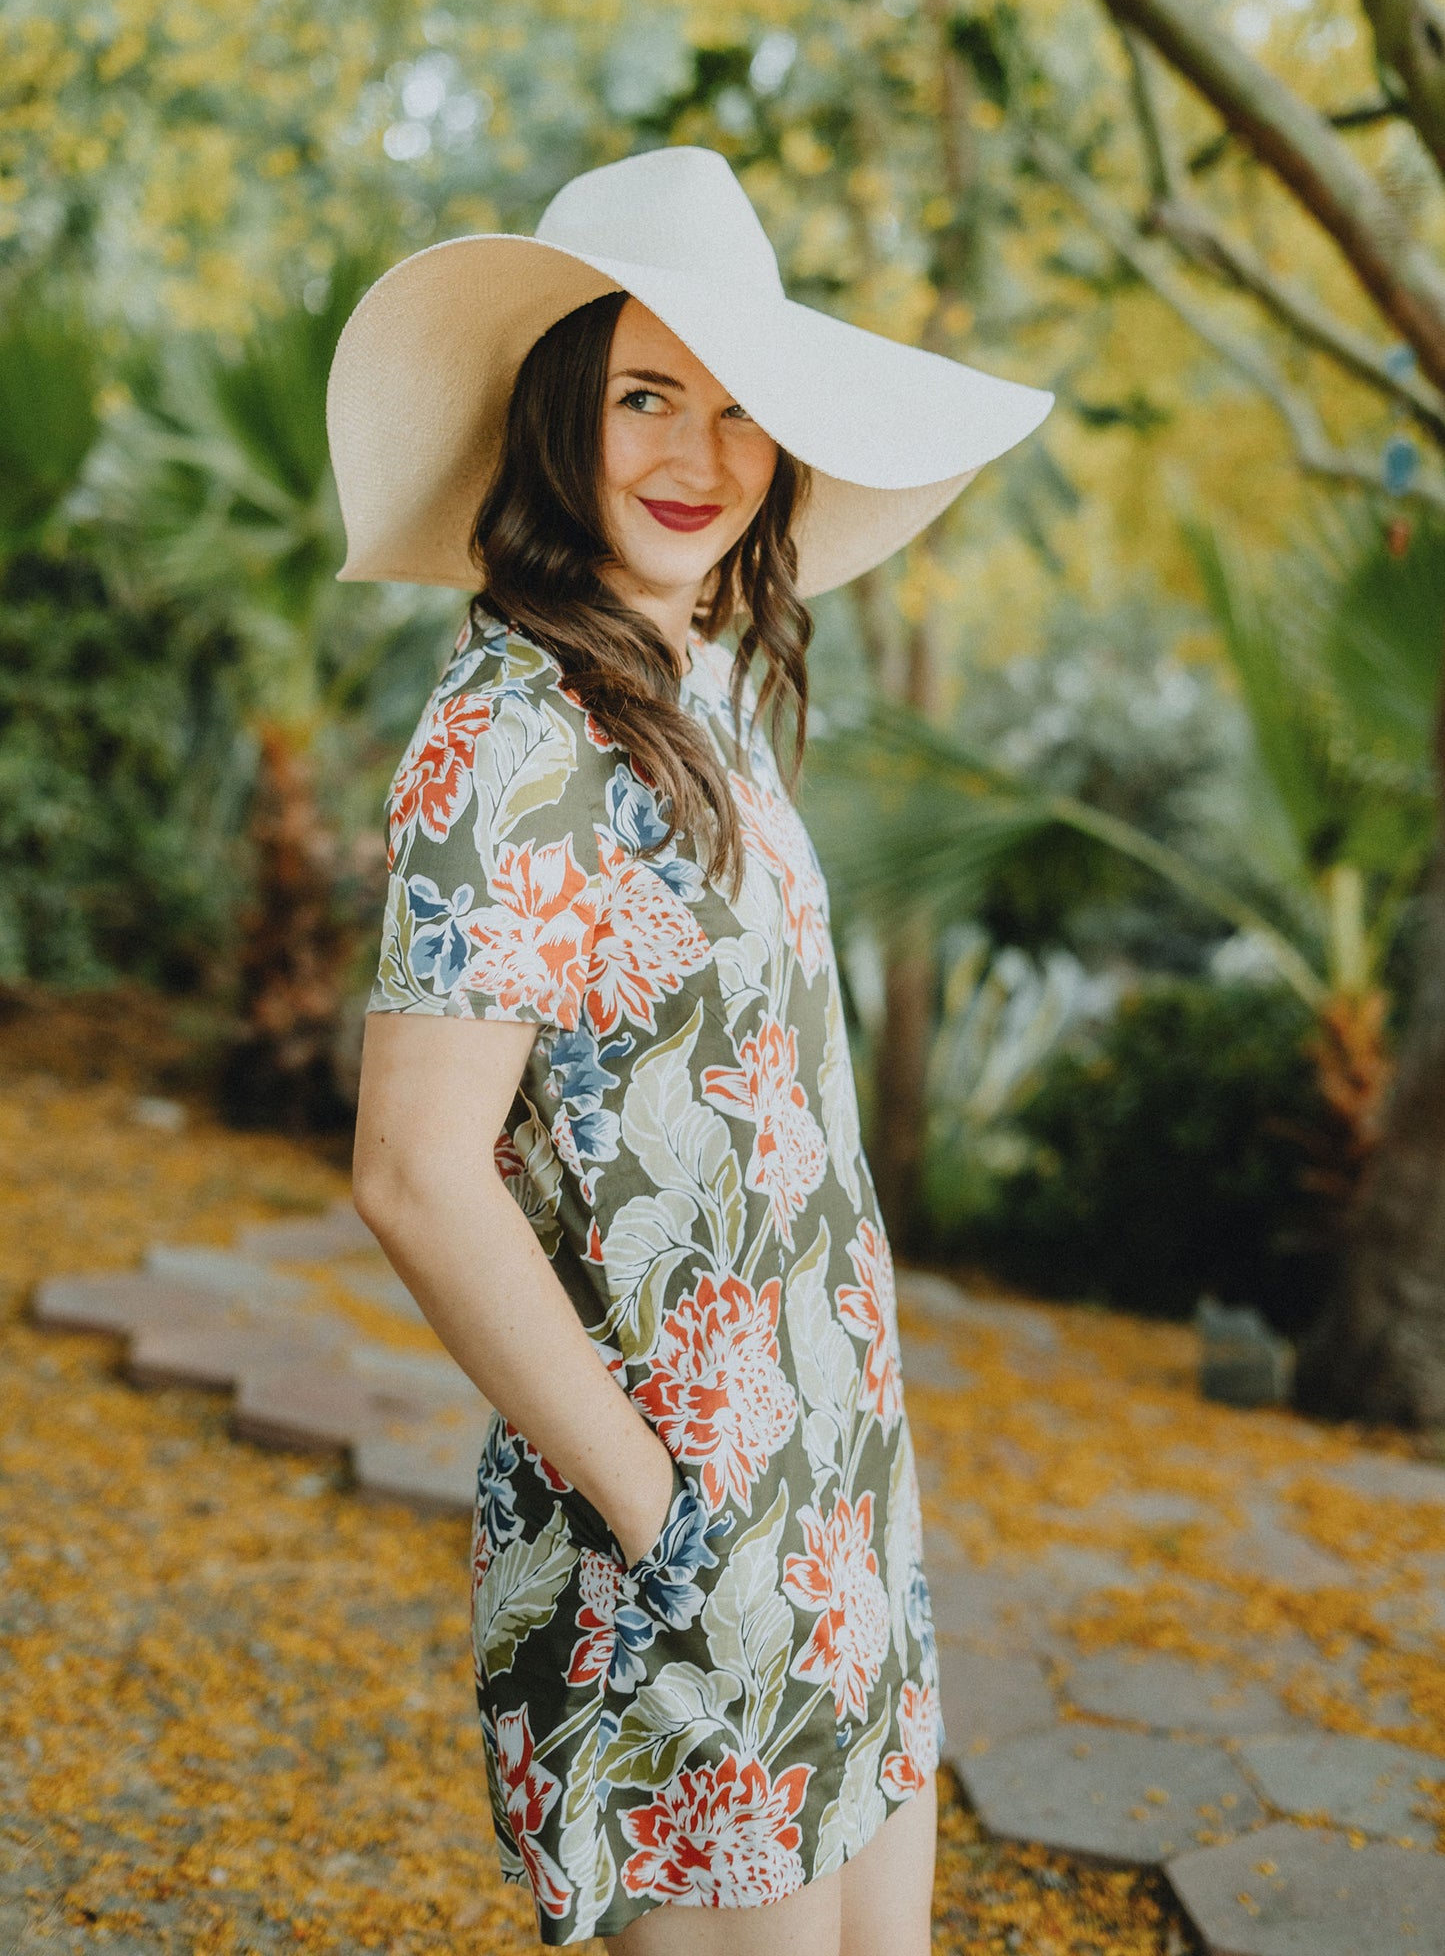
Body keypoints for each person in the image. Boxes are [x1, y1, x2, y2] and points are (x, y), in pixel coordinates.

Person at [330, 146, 1050, 1953]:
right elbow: (416, 1168)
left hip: (834, 1483)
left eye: (739, 410)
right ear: (561, 415)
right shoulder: (514, 734)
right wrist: (669, 1515)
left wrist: (820, 1493)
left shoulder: (689, 691)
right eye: (647, 395)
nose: (695, 457)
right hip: (682, 1518)